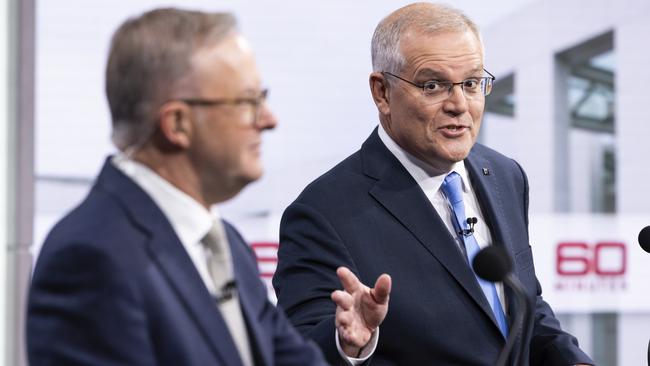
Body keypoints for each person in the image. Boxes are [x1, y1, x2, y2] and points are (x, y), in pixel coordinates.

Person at [27, 8, 390, 366]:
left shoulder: (225, 243)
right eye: (248, 102)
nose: (269, 119)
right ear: (178, 124)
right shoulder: (91, 258)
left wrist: (347, 346)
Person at [273, 3, 594, 365]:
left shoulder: (505, 175)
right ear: (382, 92)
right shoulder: (323, 212)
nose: (459, 104)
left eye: (471, 83)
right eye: (433, 85)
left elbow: (524, 304)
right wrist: (350, 345)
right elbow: (299, 350)